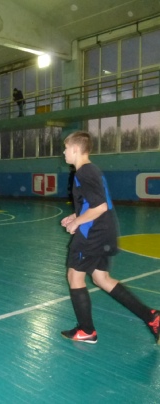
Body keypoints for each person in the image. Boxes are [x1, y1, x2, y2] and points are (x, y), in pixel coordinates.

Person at [60, 131, 159, 345]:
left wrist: (78, 223)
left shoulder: (83, 173)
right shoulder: (92, 170)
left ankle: (86, 330)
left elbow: (100, 206)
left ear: (75, 149)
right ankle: (152, 318)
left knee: (74, 276)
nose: (64, 152)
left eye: (66, 148)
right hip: (104, 231)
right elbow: (93, 203)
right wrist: (75, 216)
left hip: (92, 234)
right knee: (101, 279)